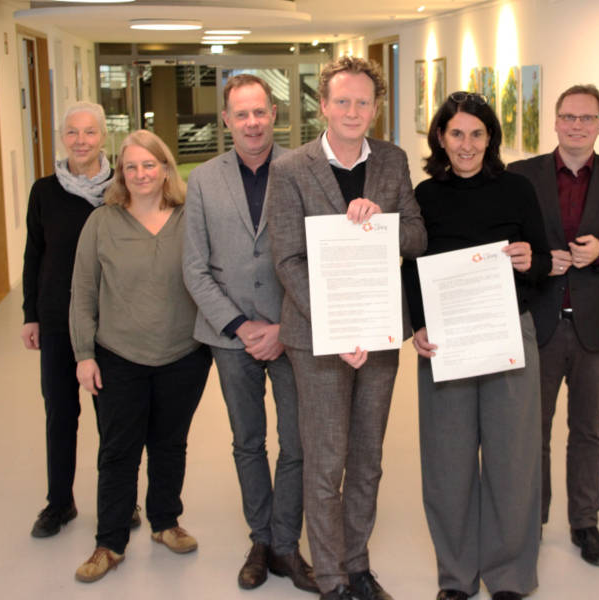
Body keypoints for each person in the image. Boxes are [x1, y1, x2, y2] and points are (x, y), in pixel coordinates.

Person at [266, 56, 427, 600]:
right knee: (326, 459)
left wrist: (381, 219)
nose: (352, 111)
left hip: (379, 334)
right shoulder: (291, 169)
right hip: (318, 339)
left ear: (376, 109)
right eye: (342, 101)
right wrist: (340, 328)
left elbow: (417, 239)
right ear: (323, 106)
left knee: (368, 459)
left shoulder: (393, 160)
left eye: (363, 102)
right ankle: (332, 577)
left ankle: (358, 565)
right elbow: (287, 259)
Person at [401, 92, 550, 600]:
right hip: (445, 342)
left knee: (513, 460)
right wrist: (418, 325)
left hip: (509, 334)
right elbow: (410, 269)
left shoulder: (517, 189)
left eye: (477, 133)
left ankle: (508, 576)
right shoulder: (425, 196)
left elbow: (544, 260)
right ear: (441, 137)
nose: (467, 144)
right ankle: (456, 577)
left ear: (492, 138)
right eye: (456, 133)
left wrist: (533, 259)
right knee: (448, 463)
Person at [507, 84, 599, 566]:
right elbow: (506, 241)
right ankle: (533, 519)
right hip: (539, 323)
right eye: (568, 116)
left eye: (586, 118)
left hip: (597, 328)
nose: (576, 125)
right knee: (535, 430)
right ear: (555, 121)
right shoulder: (522, 175)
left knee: (588, 430)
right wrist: (534, 263)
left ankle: (585, 522)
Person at [182, 74, 317, 593]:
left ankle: (287, 543)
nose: (252, 122)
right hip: (230, 336)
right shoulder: (203, 180)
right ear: (226, 120)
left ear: (274, 115)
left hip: (292, 331)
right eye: (241, 114)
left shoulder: (302, 171)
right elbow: (196, 269)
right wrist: (242, 326)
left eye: (260, 112)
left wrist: (284, 325)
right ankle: (260, 540)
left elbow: (313, 258)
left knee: (298, 442)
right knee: (247, 441)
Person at [69, 129, 211, 583]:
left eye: (149, 164)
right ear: (121, 173)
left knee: (170, 444)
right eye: (131, 166)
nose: (140, 173)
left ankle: (166, 522)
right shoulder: (102, 222)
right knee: (118, 450)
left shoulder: (192, 217)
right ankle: (109, 543)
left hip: (183, 353)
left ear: (166, 168)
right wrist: (84, 353)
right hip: (118, 356)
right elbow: (83, 292)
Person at [21, 101, 138, 537]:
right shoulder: (44, 191)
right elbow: (35, 255)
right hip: (55, 321)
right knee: (60, 414)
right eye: (72, 132)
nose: (81, 141)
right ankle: (59, 503)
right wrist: (30, 314)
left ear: (103, 136)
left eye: (90, 132)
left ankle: (120, 501)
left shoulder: (122, 187)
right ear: (62, 137)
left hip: (110, 323)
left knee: (113, 418)